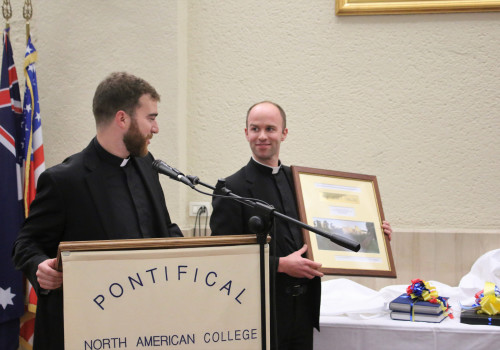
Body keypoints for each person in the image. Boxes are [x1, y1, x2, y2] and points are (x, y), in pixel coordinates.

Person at [12, 72, 183, 350]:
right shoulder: (65, 180)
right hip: (89, 327)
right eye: (150, 118)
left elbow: (163, 227)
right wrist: (39, 265)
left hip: (148, 323)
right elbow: (25, 243)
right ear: (122, 119)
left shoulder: (147, 165)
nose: (156, 128)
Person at [210, 101, 392, 350]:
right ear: (246, 133)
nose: (262, 136)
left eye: (270, 129)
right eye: (255, 129)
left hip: (303, 311)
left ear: (284, 133)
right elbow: (223, 259)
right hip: (261, 314)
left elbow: (332, 229)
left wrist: (374, 237)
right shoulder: (231, 190)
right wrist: (281, 265)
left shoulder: (302, 182)